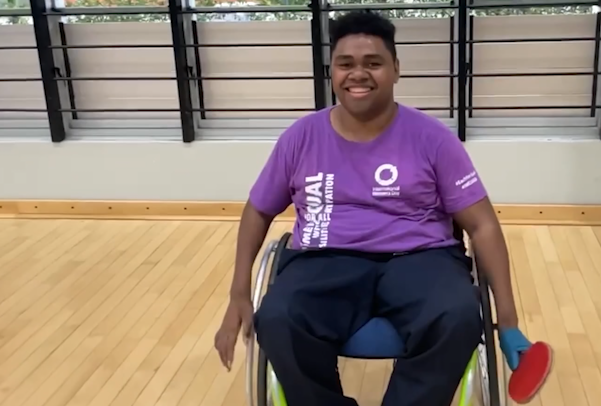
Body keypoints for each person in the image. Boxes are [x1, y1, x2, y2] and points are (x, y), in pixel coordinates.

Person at [214, 10, 551, 406]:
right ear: (332, 72)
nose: (358, 73)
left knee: (458, 316)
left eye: (373, 63)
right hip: (325, 259)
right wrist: (239, 292)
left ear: (395, 69)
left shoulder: (433, 138)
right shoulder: (301, 137)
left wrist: (507, 322)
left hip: (421, 258)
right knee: (278, 318)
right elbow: (258, 210)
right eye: (346, 64)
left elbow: (482, 227)